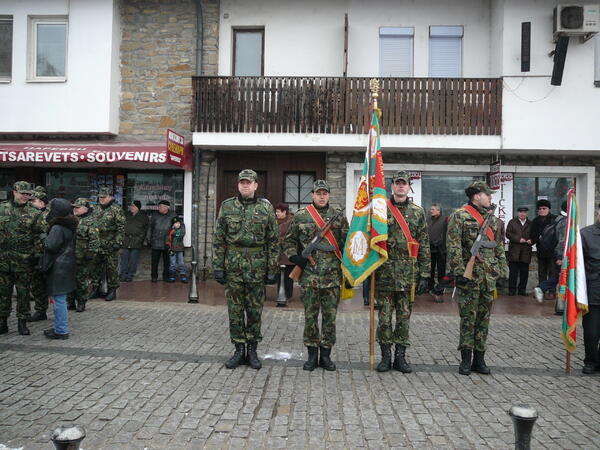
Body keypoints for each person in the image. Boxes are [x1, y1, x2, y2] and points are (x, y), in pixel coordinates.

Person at [213, 169, 279, 370]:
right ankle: (238, 349)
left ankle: (252, 350)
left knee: (254, 310)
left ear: (256, 185)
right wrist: (218, 266)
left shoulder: (266, 209)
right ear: (238, 185)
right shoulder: (227, 207)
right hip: (233, 266)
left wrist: (272, 268)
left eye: (249, 183)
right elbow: (218, 239)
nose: (245, 186)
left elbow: (273, 241)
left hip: (257, 266)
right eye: (242, 183)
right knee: (234, 310)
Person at [284, 180, 349, 372]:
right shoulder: (301, 216)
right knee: (310, 317)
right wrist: (296, 257)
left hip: (332, 277)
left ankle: (326, 356)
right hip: (309, 277)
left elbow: (346, 243)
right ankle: (312, 356)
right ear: (312, 195)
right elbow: (288, 242)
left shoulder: (338, 217)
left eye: (325, 193)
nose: (322, 196)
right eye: (318, 193)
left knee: (330, 318)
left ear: (329, 195)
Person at [447, 181, 507, 376]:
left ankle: (480, 359)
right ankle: (466, 359)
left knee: (484, 319)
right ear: (476, 196)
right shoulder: (460, 216)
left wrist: (500, 269)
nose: (490, 197)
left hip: (488, 278)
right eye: (487, 194)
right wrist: (458, 272)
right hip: (469, 277)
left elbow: (497, 247)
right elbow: (453, 246)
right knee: (468, 319)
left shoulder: (494, 221)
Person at [374, 171, 430, 373]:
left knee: (404, 318)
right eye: (397, 184)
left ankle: (400, 357)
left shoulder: (417, 212)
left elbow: (424, 243)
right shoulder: (380, 211)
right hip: (384, 274)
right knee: (384, 318)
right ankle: (385, 357)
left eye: (403, 184)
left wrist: (425, 274)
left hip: (408, 275)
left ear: (408, 187)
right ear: (392, 187)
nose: (400, 187)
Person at [0, 181, 41, 335]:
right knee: (3, 293)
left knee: (23, 294)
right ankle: (2, 322)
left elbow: (39, 237)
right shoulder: (2, 209)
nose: (25, 196)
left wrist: (36, 256)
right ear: (14, 192)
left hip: (24, 260)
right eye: (22, 193)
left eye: (27, 194)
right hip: (3, 259)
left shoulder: (34, 213)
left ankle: (22, 322)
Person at [40, 198, 77, 340]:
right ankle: (59, 327)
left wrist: (43, 236)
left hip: (58, 267)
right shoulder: (69, 225)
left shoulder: (57, 227)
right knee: (60, 299)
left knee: (59, 300)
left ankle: (61, 330)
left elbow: (51, 245)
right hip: (65, 265)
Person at [92, 187, 125, 301]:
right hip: (97, 244)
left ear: (111, 197)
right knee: (96, 268)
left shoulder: (116, 209)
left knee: (111, 269)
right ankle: (96, 289)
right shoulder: (95, 209)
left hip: (110, 244)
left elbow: (121, 227)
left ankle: (112, 290)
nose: (101, 199)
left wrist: (118, 241)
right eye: (100, 197)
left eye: (104, 197)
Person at [534, 201, 568, 307]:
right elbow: (562, 241)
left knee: (560, 276)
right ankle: (542, 288)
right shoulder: (563, 222)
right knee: (561, 276)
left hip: (557, 253)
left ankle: (543, 288)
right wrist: (560, 256)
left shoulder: (558, 220)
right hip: (561, 255)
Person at [69, 198, 100, 312]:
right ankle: (70, 302)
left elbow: (95, 239)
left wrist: (91, 253)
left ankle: (81, 302)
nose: (75, 209)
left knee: (81, 281)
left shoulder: (91, 221)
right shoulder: (71, 219)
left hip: (83, 257)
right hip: (70, 256)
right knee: (69, 279)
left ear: (85, 209)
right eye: (74, 207)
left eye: (78, 207)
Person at [580, 206, 600, 374]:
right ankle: (591, 361)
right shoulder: (585, 234)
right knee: (592, 331)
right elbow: (576, 262)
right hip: (593, 289)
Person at [28, 186, 50, 322]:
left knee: (42, 283)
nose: (30, 202)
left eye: (33, 200)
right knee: (35, 284)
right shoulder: (29, 213)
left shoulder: (48, 216)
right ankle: (40, 310)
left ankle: (41, 309)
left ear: (42, 202)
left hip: (43, 255)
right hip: (31, 254)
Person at [531, 200, 557, 298]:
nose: (541, 210)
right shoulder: (535, 221)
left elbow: (557, 235)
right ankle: (541, 291)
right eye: (540, 209)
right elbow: (533, 235)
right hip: (541, 250)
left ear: (549, 209)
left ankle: (552, 292)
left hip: (552, 250)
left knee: (552, 272)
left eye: (544, 208)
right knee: (541, 272)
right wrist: (533, 240)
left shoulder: (554, 219)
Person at [506, 207, 533, 296]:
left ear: (527, 213)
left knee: (524, 273)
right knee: (513, 273)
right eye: (520, 212)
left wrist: (531, 240)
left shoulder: (530, 223)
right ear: (517, 213)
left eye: (524, 212)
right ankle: (512, 290)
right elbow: (508, 233)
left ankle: (522, 290)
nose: (522, 214)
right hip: (514, 251)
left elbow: (534, 235)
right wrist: (518, 239)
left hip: (526, 251)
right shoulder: (512, 222)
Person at [120, 200, 148, 282]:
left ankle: (130, 275)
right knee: (124, 259)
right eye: (131, 206)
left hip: (136, 241)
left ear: (138, 208)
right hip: (126, 240)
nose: (131, 207)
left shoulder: (143, 217)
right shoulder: (126, 215)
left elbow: (145, 230)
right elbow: (121, 226)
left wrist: (140, 239)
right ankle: (123, 275)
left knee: (133, 260)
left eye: (133, 206)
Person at [146, 200, 174, 283]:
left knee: (167, 262)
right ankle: (154, 276)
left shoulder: (173, 215)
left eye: (161, 206)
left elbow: (178, 227)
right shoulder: (155, 216)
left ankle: (166, 276)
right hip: (156, 241)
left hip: (167, 242)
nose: (159, 208)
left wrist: (174, 240)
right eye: (159, 206)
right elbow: (150, 228)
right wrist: (148, 239)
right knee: (154, 262)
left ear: (167, 207)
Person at [427, 203, 447, 299]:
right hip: (430, 249)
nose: (431, 211)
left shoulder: (445, 220)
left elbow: (445, 234)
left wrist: (437, 242)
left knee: (441, 270)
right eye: (431, 209)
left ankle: (440, 288)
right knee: (430, 269)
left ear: (439, 211)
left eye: (433, 209)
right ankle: (430, 287)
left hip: (440, 249)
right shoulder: (429, 220)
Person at [275, 202, 294, 305]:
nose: (276, 213)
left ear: (284, 212)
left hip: (288, 255)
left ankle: (288, 295)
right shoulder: (276, 222)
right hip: (278, 255)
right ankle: (280, 294)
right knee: (279, 276)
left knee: (288, 276)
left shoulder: (291, 222)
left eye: (278, 211)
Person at [166, 216, 187, 283]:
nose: (177, 224)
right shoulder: (170, 230)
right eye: (175, 223)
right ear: (173, 224)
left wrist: (173, 232)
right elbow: (167, 239)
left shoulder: (181, 229)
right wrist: (169, 248)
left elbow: (181, 234)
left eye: (178, 223)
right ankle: (172, 276)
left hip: (180, 249)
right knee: (172, 263)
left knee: (181, 263)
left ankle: (183, 275)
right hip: (172, 249)